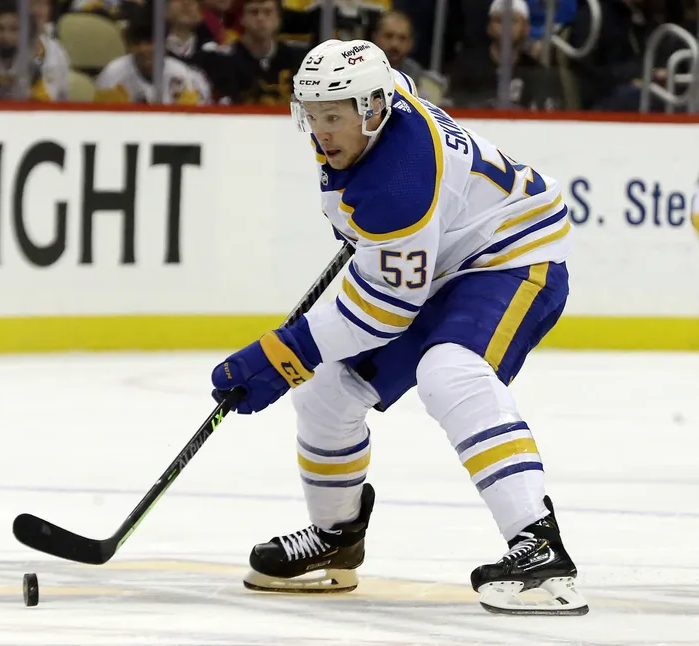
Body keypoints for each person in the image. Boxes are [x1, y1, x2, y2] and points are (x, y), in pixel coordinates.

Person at [209, 38, 586, 615]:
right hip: (442, 256)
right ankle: (336, 538)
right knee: (325, 389)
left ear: (372, 110)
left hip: (513, 255)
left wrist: (284, 352)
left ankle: (540, 550)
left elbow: (383, 310)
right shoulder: (380, 106)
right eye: (312, 116)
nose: (321, 133)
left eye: (333, 118)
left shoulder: (398, 182)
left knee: (450, 372)